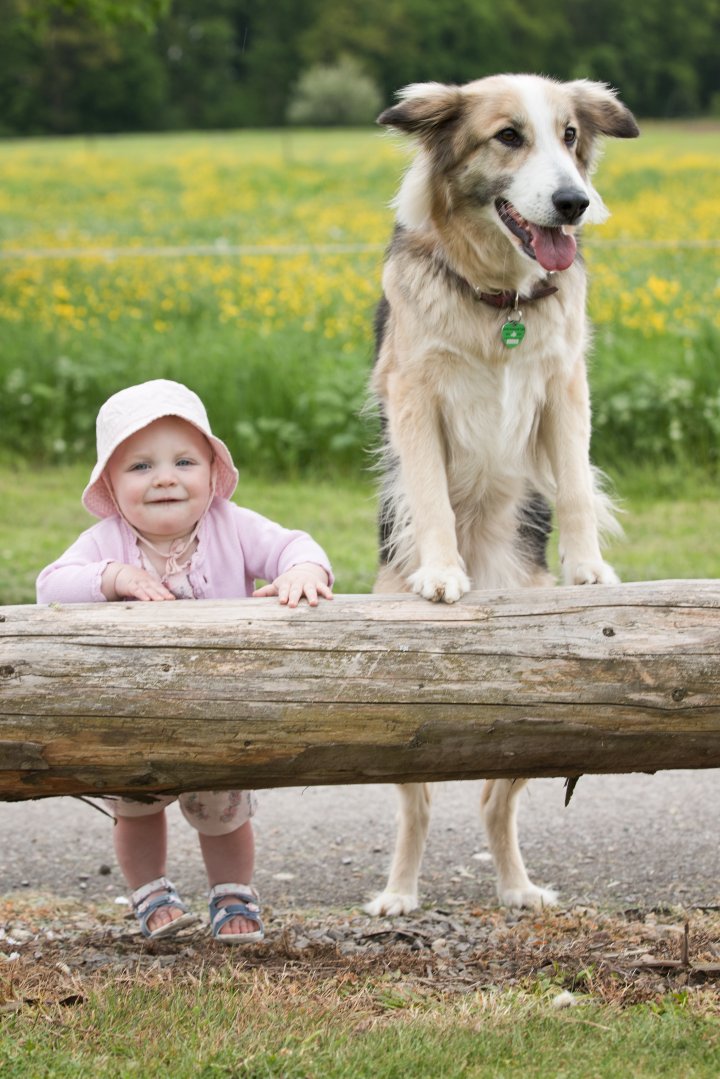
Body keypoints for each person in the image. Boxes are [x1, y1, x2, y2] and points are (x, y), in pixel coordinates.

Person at [36, 379, 333, 944]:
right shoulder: (106, 541)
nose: (165, 477)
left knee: (224, 811)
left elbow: (295, 544)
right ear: (111, 485)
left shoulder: (233, 526)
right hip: (132, 716)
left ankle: (233, 894)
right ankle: (150, 891)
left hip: (220, 711)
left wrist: (302, 572)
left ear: (213, 473)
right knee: (137, 809)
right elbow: (49, 585)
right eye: (141, 466)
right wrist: (113, 578)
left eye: (184, 461)